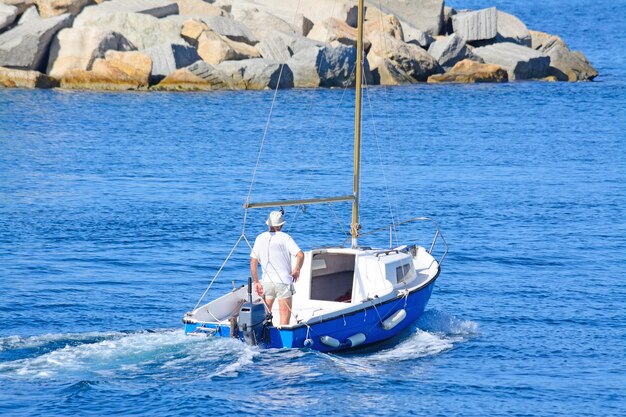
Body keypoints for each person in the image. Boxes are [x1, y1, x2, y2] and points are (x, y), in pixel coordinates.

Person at [250, 211, 304, 326]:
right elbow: (300, 255)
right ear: (281, 225)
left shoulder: (259, 238)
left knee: (265, 315)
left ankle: (265, 337)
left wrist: (256, 282)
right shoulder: (286, 238)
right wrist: (297, 270)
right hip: (283, 282)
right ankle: (282, 342)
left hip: (267, 282)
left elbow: (253, 261)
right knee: (284, 317)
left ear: (268, 224)